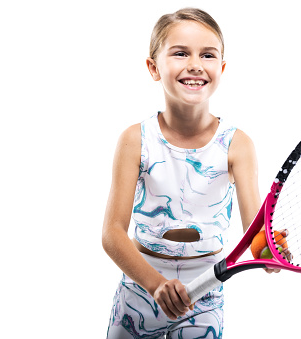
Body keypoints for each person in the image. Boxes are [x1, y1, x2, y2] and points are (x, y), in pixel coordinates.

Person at [102, 8, 276, 338]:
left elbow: (256, 233)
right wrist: (156, 285)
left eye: (207, 55)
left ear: (221, 68)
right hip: (139, 290)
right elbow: (112, 233)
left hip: (205, 293)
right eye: (180, 53)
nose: (195, 64)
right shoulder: (134, 140)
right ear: (154, 67)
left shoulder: (238, 145)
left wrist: (267, 251)